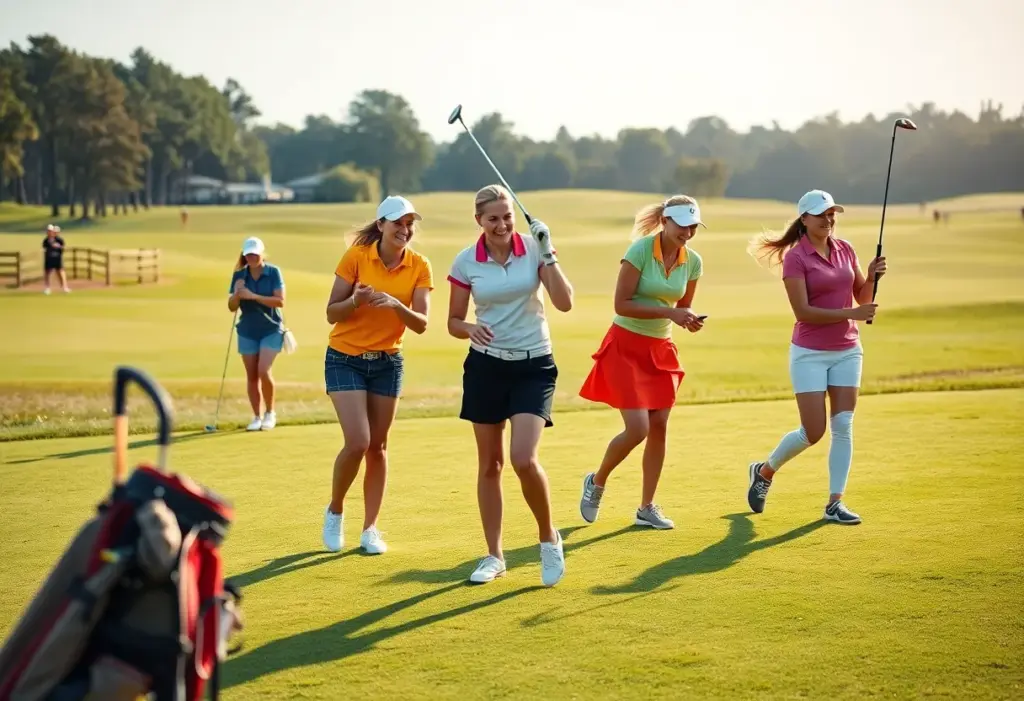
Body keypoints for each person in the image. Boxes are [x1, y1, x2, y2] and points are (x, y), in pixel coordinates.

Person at [446, 184, 574, 587]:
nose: (502, 225)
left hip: (534, 365)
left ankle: (548, 538)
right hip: (486, 367)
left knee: (523, 458)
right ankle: (494, 555)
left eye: (507, 217)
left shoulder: (535, 249)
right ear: (479, 220)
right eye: (493, 218)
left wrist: (548, 251)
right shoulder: (467, 262)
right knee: (490, 465)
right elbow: (452, 321)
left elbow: (565, 302)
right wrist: (469, 328)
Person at [744, 189, 886, 525]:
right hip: (809, 353)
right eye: (822, 214)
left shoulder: (845, 248)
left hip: (848, 351)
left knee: (843, 425)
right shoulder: (796, 258)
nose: (829, 219)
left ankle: (835, 503)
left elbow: (861, 297)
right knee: (813, 430)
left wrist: (872, 276)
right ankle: (764, 472)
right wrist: (852, 312)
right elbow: (804, 312)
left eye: (832, 213)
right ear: (804, 219)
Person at [577, 195, 707, 530]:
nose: (688, 232)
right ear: (665, 222)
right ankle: (597, 481)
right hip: (626, 345)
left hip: (660, 348)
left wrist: (688, 320)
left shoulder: (692, 262)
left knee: (660, 426)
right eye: (683, 225)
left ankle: (646, 507)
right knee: (638, 428)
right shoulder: (638, 252)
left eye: (693, 226)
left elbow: (683, 307)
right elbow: (622, 304)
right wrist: (669, 312)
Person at [321, 195, 433, 555]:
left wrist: (397, 305)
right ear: (381, 225)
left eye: (409, 224)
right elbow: (332, 314)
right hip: (344, 357)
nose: (405, 230)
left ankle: (370, 529)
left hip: (387, 362)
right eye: (398, 223)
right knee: (358, 442)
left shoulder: (419, 265)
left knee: (378, 447)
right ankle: (336, 510)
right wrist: (356, 301)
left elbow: (421, 325)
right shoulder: (356, 256)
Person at [227, 236, 286, 432]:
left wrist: (253, 296)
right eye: (248, 254)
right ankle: (256, 416)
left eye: (255, 254)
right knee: (252, 375)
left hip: (271, 328)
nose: (252, 257)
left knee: (263, 370)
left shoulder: (273, 272)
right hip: (247, 330)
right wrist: (237, 294)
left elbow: (280, 301)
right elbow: (231, 307)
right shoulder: (239, 276)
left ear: (261, 254)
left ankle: (270, 413)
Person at [42, 224, 70, 294]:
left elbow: (62, 248)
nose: (49, 232)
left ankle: (64, 287)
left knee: (60, 272)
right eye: (48, 231)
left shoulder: (59, 240)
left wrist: (58, 247)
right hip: (49, 259)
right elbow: (45, 248)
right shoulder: (46, 240)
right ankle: (47, 288)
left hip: (57, 258)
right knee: (47, 272)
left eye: (50, 231)